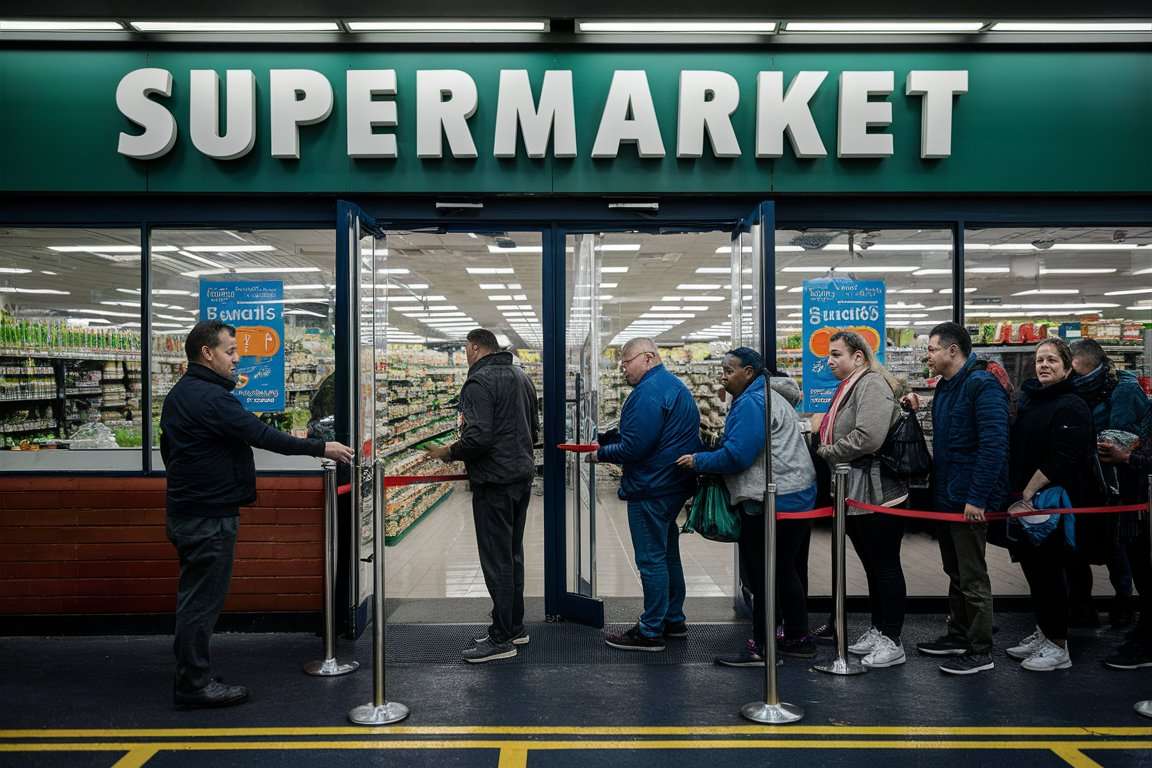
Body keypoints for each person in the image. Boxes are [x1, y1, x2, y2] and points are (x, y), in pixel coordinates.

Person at [161, 320, 354, 709]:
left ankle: (193, 673)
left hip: (190, 509)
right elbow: (263, 435)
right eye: (230, 351)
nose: (237, 358)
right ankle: (193, 684)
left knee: (194, 597)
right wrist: (321, 447)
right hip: (208, 515)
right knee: (201, 603)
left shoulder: (182, 394)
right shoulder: (212, 399)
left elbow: (169, 450)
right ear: (207, 353)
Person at [676, 348, 817, 666]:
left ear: (749, 373)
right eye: (722, 369)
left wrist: (699, 460)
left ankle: (763, 647)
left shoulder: (753, 403)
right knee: (783, 571)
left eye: (729, 370)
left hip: (772, 500)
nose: (723, 375)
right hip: (795, 494)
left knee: (763, 574)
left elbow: (738, 455)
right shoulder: (770, 396)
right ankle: (797, 637)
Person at [427, 328, 539, 663]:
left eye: (465, 349)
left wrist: (449, 452)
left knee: (496, 560)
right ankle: (514, 626)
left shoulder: (478, 382)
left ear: (475, 348)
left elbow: (478, 438)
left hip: (494, 481)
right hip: (520, 475)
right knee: (512, 555)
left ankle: (501, 638)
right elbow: (534, 428)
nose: (465, 354)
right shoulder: (522, 377)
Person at [591, 337, 702, 651]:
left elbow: (635, 447)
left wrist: (599, 453)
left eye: (627, 361)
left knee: (651, 559)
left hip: (652, 486)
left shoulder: (648, 392)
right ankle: (673, 619)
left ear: (648, 357)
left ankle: (650, 630)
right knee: (668, 554)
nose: (623, 368)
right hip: (673, 483)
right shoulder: (674, 386)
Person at [915, 322, 1009, 675]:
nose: (929, 356)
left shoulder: (981, 386)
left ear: (952, 351)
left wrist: (979, 498)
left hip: (969, 498)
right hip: (948, 495)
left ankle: (980, 649)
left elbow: (994, 445)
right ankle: (959, 633)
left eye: (932, 349)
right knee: (954, 569)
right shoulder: (947, 387)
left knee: (972, 575)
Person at [816, 331, 910, 669]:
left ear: (859, 357)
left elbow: (868, 437)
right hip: (855, 492)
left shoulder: (871, 384)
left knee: (884, 565)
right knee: (872, 566)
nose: (830, 361)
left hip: (877, 495)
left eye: (837, 354)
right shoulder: (850, 385)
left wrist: (828, 452)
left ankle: (892, 639)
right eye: (829, 354)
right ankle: (879, 628)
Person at [1005, 337, 1098, 671]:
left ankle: (1058, 645)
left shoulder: (1072, 405)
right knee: (1035, 570)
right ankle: (1044, 632)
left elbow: (1064, 457)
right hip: (1028, 504)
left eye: (1052, 361)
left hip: (1053, 504)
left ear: (1068, 366)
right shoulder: (1032, 399)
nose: (1043, 365)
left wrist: (1028, 492)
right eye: (1040, 359)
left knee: (1051, 572)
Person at [1071, 338, 1148, 627]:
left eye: (1074, 369)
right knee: (1081, 544)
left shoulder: (1124, 390)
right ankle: (1083, 605)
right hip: (1090, 479)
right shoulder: (1081, 390)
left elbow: (1122, 438)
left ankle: (1124, 601)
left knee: (1119, 545)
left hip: (1122, 482)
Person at [1097, 436, 1152, 670]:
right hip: (1139, 513)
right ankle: (1145, 634)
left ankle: (1146, 644)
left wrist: (1128, 457)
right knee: (1143, 578)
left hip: (1144, 510)